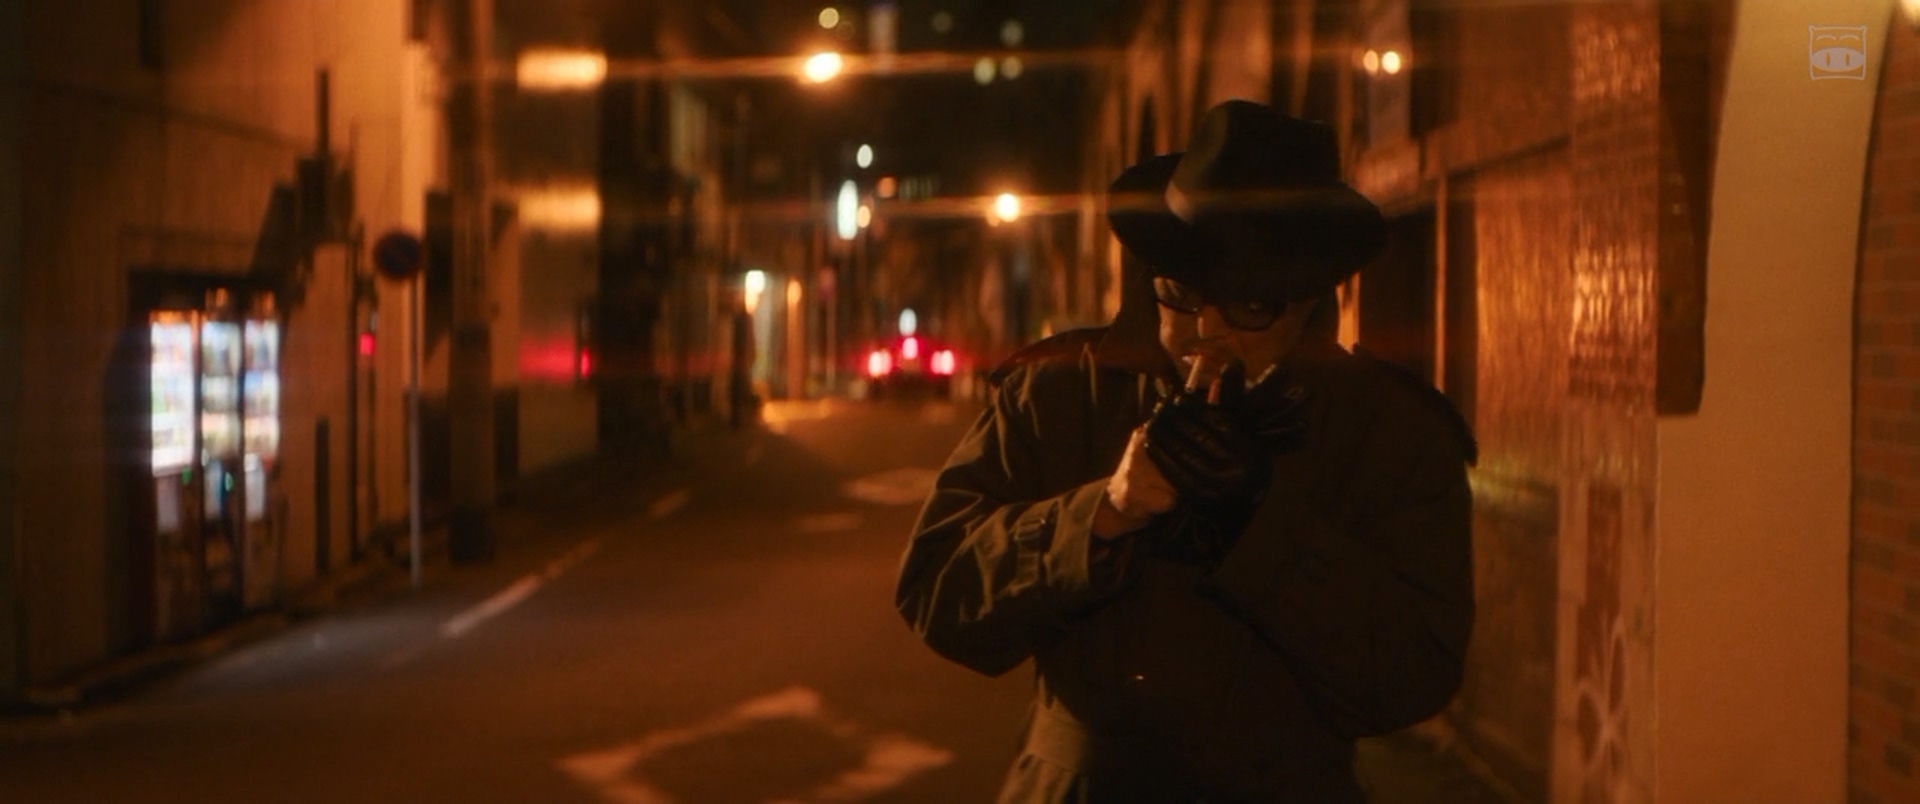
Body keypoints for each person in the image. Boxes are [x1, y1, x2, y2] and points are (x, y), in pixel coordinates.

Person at [894, 99, 1477, 802]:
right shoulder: (1057, 392)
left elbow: (1413, 678)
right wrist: (1099, 515)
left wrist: (1259, 526)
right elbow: (937, 596)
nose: (1206, 331)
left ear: (1307, 300)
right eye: (1183, 292)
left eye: (1250, 306)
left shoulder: (1388, 430)